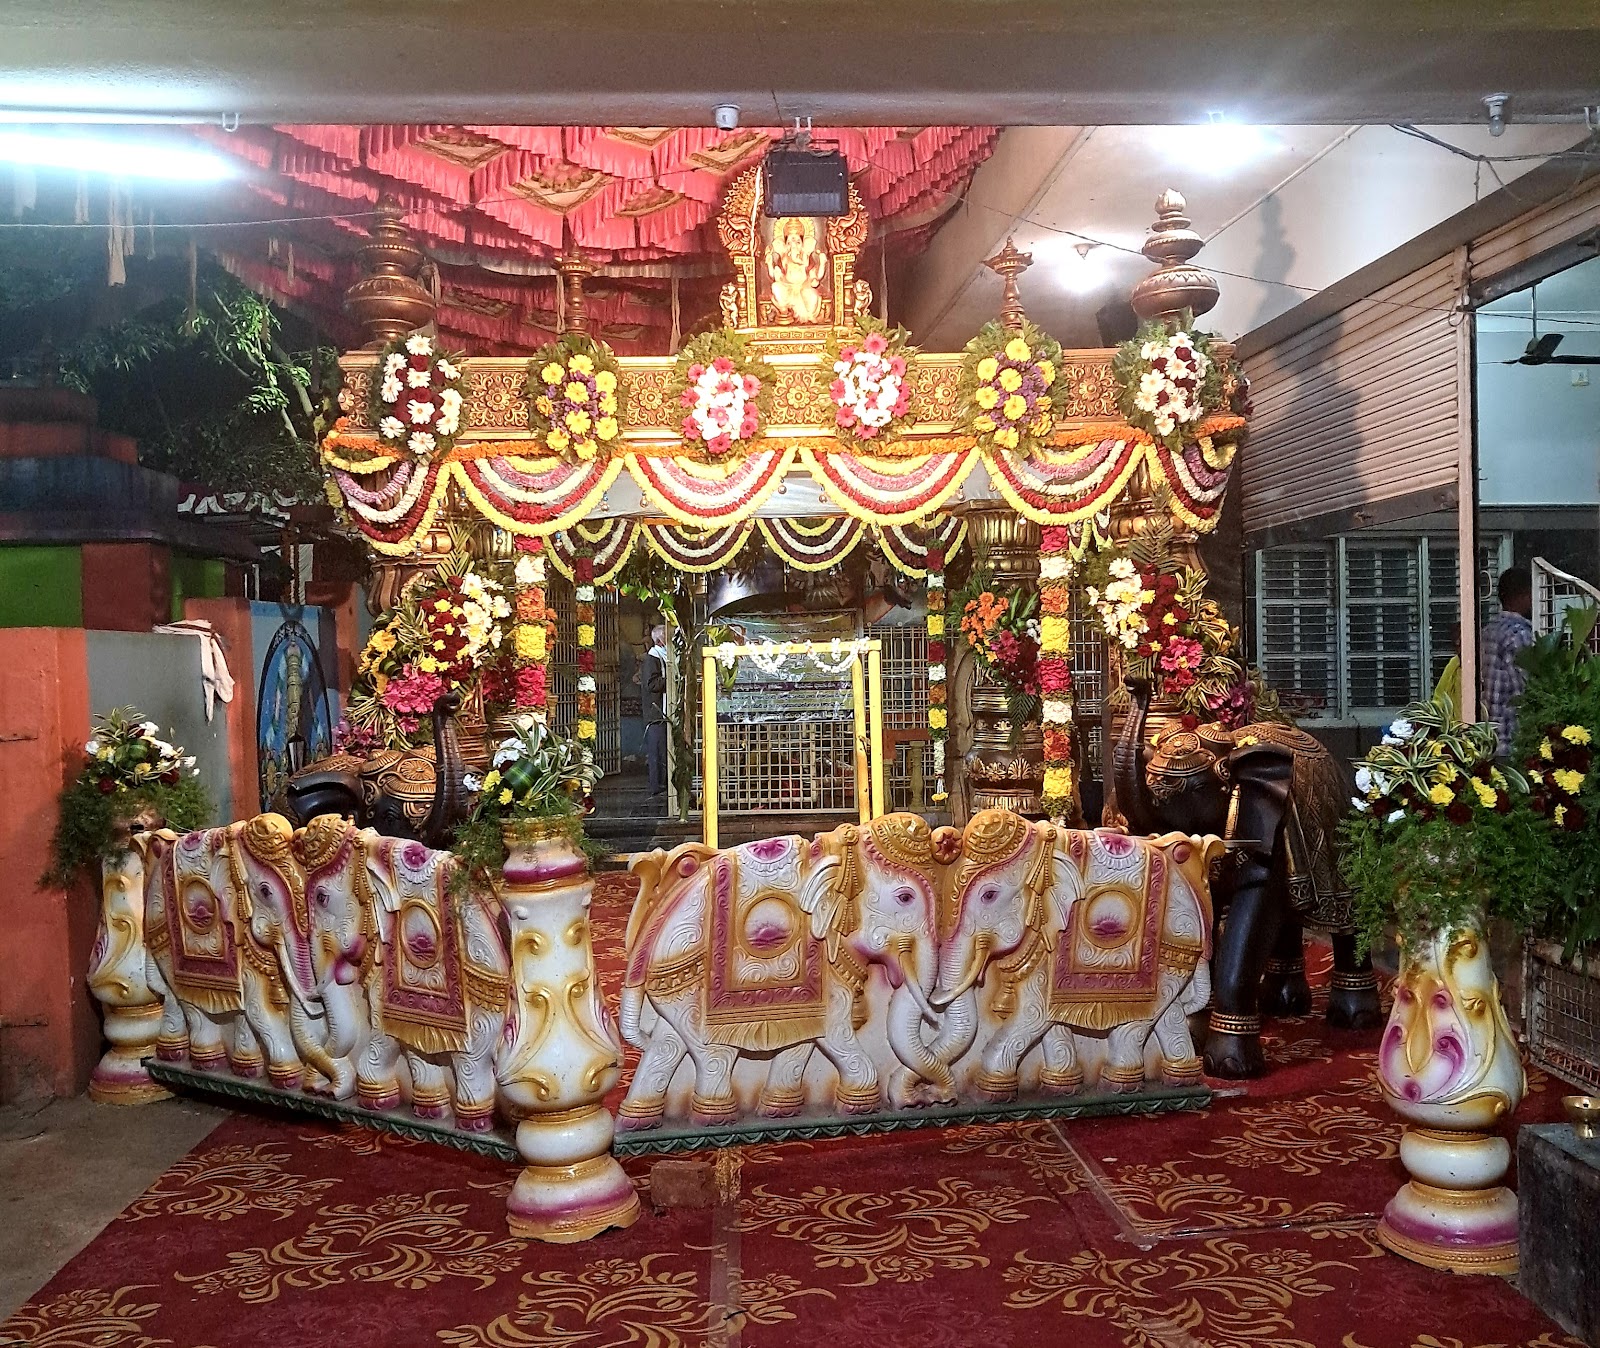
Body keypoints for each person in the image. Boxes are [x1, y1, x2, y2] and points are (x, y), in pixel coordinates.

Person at [1479, 566, 1534, 755]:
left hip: (1485, 735)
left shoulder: (1488, 632)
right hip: (1511, 739)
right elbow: (1526, 688)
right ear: (1525, 595)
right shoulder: (1519, 635)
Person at [643, 624, 669, 801]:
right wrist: (670, 678)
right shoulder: (652, 658)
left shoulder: (662, 657)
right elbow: (651, 684)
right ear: (660, 639)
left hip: (664, 711)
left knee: (663, 750)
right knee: (656, 750)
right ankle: (657, 785)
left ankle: (663, 782)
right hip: (656, 712)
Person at [1432, 621, 1462, 717]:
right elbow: (1440, 697)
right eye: (1455, 643)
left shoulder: (1483, 664)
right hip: (1454, 727)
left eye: (1460, 640)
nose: (1457, 643)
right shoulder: (1454, 663)